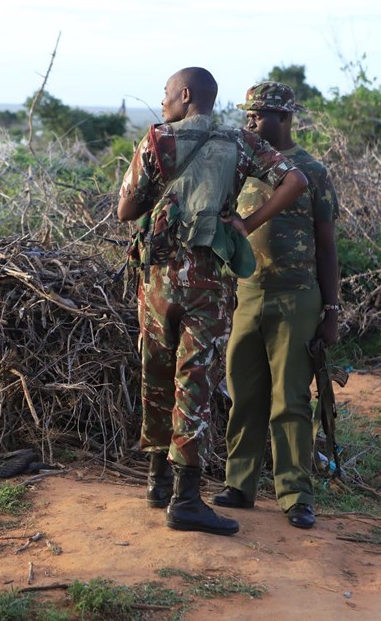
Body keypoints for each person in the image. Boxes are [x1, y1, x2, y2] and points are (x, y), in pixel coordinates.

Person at [117, 67, 308, 535]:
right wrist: (248, 220)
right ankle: (185, 497)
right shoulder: (239, 141)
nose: (163, 104)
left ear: (185, 95)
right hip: (209, 285)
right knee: (195, 385)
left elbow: (125, 210)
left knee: (156, 375)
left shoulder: (157, 140)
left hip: (158, 280)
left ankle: (157, 481)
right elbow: (295, 179)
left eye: (166, 95)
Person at [213, 82, 340, 530]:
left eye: (259, 114)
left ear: (284, 118)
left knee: (290, 401)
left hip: (297, 297)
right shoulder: (242, 167)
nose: (250, 122)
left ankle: (295, 496)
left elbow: (327, 247)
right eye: (247, 114)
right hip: (248, 295)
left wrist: (332, 311)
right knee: (244, 395)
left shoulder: (313, 172)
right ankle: (239, 485)